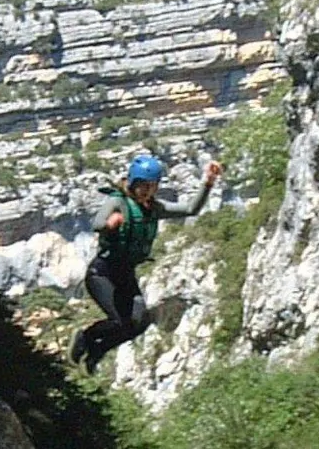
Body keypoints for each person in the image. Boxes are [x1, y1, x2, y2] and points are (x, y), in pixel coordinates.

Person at [69, 153, 222, 375]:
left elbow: (191, 209)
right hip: (102, 273)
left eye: (152, 187)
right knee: (120, 320)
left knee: (138, 323)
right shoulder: (118, 202)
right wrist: (111, 223)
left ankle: (96, 351)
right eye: (142, 186)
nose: (147, 191)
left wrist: (207, 183)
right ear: (132, 183)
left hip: (125, 274)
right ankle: (86, 336)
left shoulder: (154, 208)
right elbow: (98, 223)